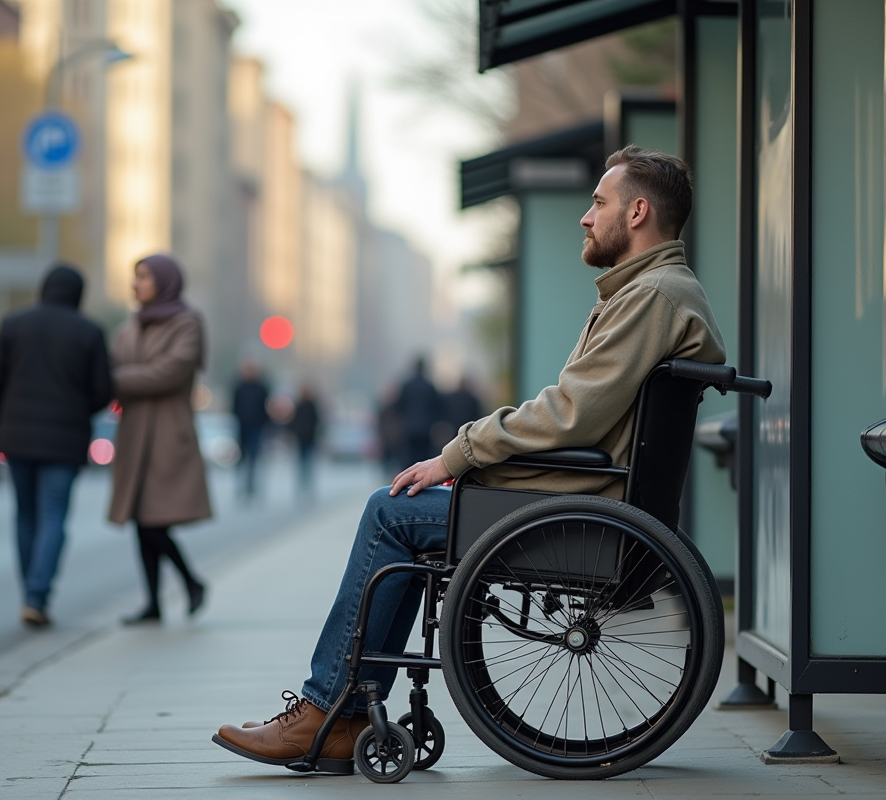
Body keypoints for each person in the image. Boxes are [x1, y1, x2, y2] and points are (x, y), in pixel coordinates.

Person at [213, 145, 727, 771]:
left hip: (580, 509)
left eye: (599, 202)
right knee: (400, 515)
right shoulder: (654, 292)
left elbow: (571, 412)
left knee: (389, 512)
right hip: (585, 499)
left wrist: (459, 454)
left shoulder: (652, 296)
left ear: (638, 212)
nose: (586, 217)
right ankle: (344, 712)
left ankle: (329, 711)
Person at [0, 264, 113, 627]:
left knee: (25, 516)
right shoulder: (89, 331)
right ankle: (37, 595)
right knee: (53, 516)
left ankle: (29, 593)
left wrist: (4, 420)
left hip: (17, 437)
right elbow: (103, 390)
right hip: (65, 441)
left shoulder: (13, 324)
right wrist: (78, 412)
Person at [109, 254, 210, 624]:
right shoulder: (130, 326)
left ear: (165, 281)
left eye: (144, 276)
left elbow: (169, 372)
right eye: (135, 276)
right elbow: (110, 365)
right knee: (142, 520)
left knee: (154, 521)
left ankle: (191, 582)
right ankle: (154, 601)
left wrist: (115, 380)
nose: (135, 283)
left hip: (167, 435)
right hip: (134, 434)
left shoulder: (187, 322)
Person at [394, 356, 444, 465]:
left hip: (409, 429)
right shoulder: (429, 386)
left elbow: (398, 406)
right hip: (426, 429)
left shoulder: (407, 385)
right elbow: (438, 406)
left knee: (409, 458)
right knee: (423, 458)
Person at [232, 359, 270, 499]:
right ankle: (241, 486)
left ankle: (251, 486)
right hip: (242, 426)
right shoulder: (239, 386)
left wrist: (265, 423)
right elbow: (234, 405)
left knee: (254, 456)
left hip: (256, 426)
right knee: (241, 457)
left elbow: (266, 406)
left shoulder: (261, 387)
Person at [289, 383, 320, 496]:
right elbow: (293, 421)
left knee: (307, 463)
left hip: (309, 438)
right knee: (302, 463)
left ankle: (307, 486)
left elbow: (316, 421)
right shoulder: (299, 406)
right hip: (301, 438)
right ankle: (302, 486)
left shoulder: (311, 406)